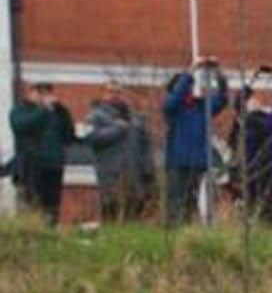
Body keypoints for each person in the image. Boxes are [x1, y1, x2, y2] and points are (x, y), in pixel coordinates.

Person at [160, 60, 228, 225]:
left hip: (197, 162)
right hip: (177, 163)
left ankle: (186, 231)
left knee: (191, 203)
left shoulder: (201, 106)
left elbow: (222, 99)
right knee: (176, 202)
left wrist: (218, 73)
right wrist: (191, 71)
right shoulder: (173, 108)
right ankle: (174, 231)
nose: (190, 90)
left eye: (190, 87)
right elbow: (174, 99)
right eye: (186, 87)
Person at [82, 82, 154, 222]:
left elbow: (146, 146)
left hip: (134, 174)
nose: (115, 95)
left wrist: (148, 169)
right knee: (111, 210)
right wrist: (117, 129)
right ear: (103, 94)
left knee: (134, 211)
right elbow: (91, 138)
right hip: (110, 174)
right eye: (111, 92)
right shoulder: (94, 116)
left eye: (118, 92)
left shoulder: (135, 118)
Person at [8, 81, 74, 224]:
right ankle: (32, 231)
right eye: (40, 92)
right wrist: (43, 110)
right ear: (30, 93)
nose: (44, 96)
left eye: (48, 92)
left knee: (52, 206)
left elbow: (69, 135)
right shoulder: (20, 110)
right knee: (33, 203)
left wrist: (62, 110)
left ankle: (50, 230)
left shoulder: (55, 112)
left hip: (54, 165)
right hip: (31, 166)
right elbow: (22, 127)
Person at [234, 67, 272, 225]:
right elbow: (239, 100)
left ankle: (270, 231)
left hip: (269, 167)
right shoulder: (245, 120)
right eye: (251, 100)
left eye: (256, 101)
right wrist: (252, 79)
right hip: (255, 168)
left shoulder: (271, 120)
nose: (254, 101)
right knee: (256, 209)